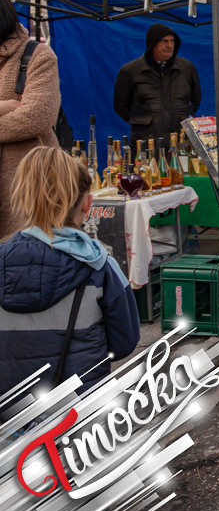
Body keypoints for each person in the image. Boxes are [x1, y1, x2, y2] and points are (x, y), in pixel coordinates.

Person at [0, 146, 139, 400]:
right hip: (82, 409)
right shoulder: (102, 266)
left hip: (10, 413)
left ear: (22, 198)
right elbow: (124, 343)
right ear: (88, 204)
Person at [0, 0, 60, 239]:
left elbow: (36, 116)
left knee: (27, 261)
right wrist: (7, 106)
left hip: (25, 181)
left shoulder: (37, 55)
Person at [113, 23, 201, 143]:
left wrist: (181, 117)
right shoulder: (130, 71)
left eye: (172, 41)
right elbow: (120, 106)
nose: (169, 45)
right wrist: (144, 121)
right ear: (152, 44)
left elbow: (195, 100)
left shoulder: (187, 68)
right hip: (145, 140)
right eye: (164, 41)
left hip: (180, 140)